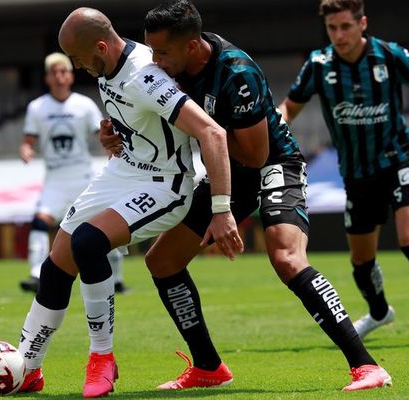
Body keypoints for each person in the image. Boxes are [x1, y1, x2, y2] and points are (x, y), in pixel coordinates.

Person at [102, 0, 389, 392]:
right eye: (152, 51)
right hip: (226, 171)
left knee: (286, 257)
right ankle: (207, 367)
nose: (155, 60)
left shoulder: (236, 73)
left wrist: (206, 136)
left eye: (163, 52)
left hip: (274, 164)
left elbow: (254, 154)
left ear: (191, 46)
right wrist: (119, 136)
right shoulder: (170, 70)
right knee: (163, 261)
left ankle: (367, 367)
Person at [16, 7, 244, 398]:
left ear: (101, 46)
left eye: (80, 60)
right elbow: (139, 122)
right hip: (123, 172)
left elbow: (212, 133)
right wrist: (113, 134)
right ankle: (27, 368)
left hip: (167, 184)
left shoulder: (145, 75)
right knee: (57, 264)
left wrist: (221, 208)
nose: (79, 68)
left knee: (89, 243)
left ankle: (102, 358)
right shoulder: (108, 66)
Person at [279, 0, 409, 346]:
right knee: (361, 258)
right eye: (332, 28)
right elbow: (290, 108)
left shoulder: (389, 55)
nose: (339, 35)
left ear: (362, 23)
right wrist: (271, 132)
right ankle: (380, 311)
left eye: (345, 26)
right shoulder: (318, 64)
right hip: (356, 173)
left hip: (400, 160)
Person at [19, 52, 128, 295]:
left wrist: (113, 149)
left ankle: (117, 278)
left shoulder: (84, 105)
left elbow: (101, 136)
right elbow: (28, 140)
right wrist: (26, 149)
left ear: (70, 76)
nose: (59, 77)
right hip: (55, 179)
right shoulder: (37, 108)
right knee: (39, 222)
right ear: (47, 78)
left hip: (83, 177)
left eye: (63, 71)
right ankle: (36, 274)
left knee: (104, 225)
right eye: (54, 72)